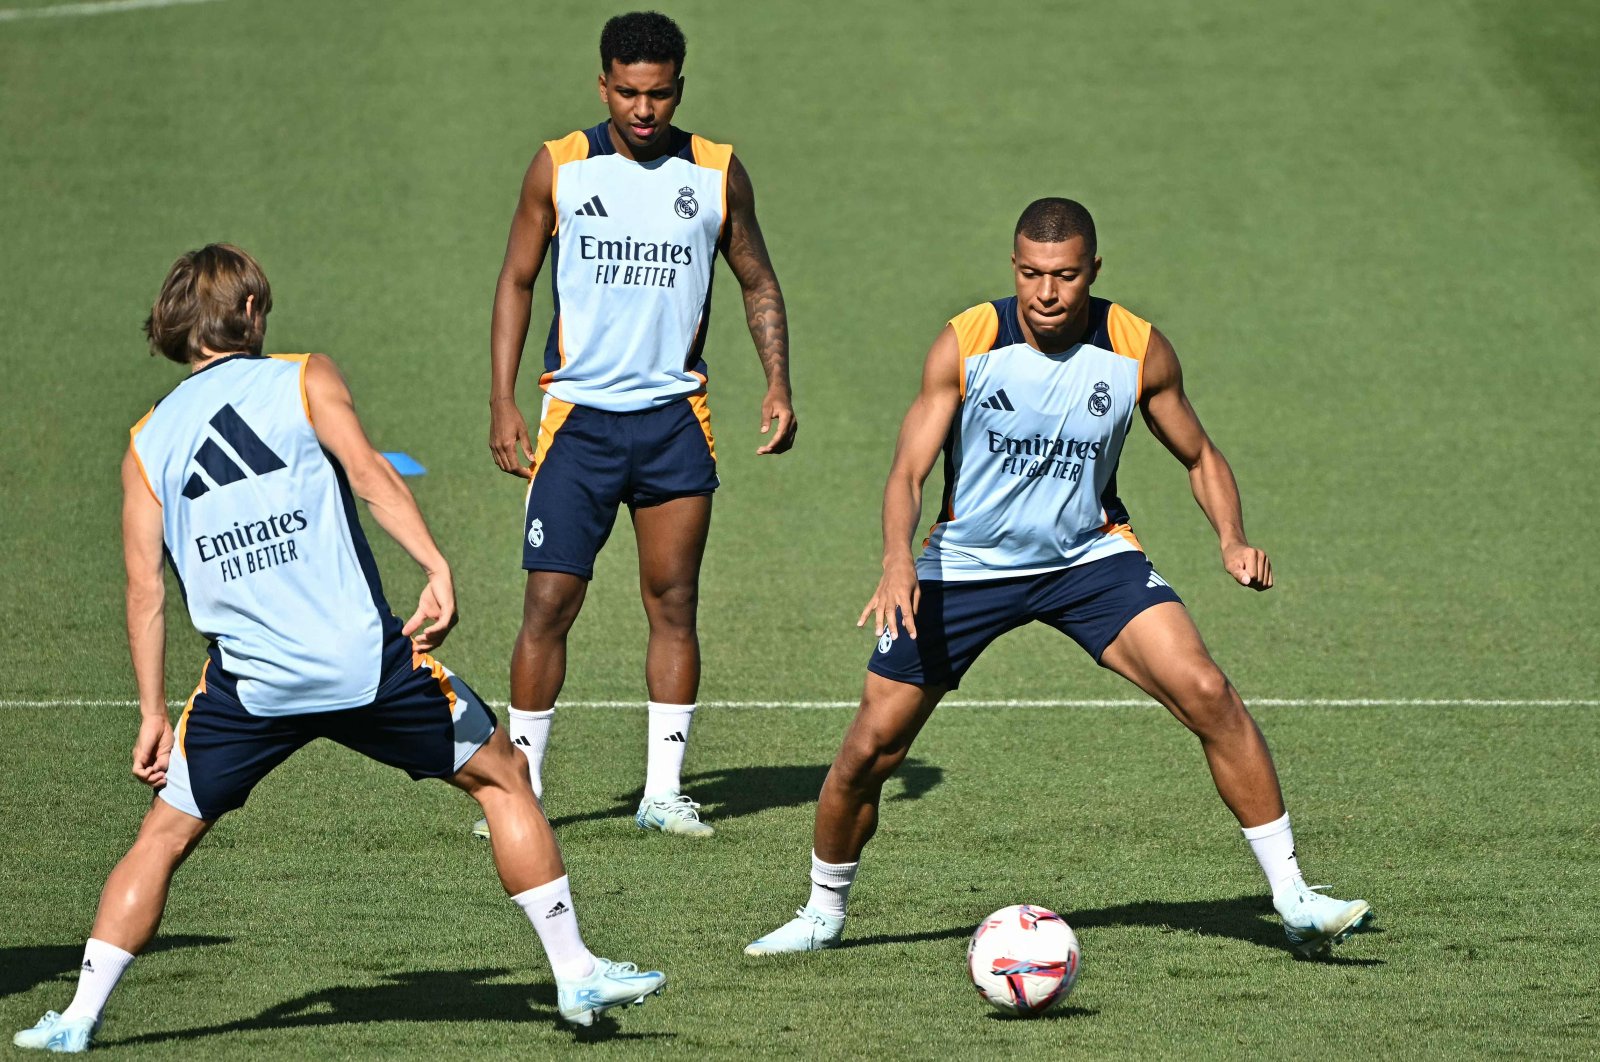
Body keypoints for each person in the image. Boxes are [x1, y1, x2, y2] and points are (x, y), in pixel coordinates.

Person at [14, 246, 664, 1054]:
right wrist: (435, 564)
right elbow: (369, 474)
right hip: (363, 665)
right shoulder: (302, 377)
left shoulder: (146, 443)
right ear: (249, 313)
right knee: (503, 775)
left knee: (163, 837)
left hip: (249, 688)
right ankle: (574, 973)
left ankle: (77, 1018)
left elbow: (145, 591)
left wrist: (152, 712)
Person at [746, 199, 1374, 959]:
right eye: (1033, 275)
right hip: (966, 566)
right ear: (1015, 268)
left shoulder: (1137, 348)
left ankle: (1294, 897)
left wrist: (1233, 538)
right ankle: (822, 913)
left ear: (1094, 272)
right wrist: (895, 558)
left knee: (1208, 692)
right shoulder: (967, 342)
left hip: (1088, 559)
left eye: (1066, 276)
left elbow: (1200, 456)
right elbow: (908, 470)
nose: (1047, 293)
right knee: (868, 751)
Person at [482, 11, 796, 839]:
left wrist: (777, 383)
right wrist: (502, 398)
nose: (643, 110)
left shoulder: (718, 172)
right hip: (576, 423)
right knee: (548, 602)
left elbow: (757, 281)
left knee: (674, 602)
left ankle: (663, 793)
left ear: (679, 89)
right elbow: (517, 281)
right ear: (603, 86)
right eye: (627, 92)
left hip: (672, 424)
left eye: (658, 94)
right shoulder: (559, 168)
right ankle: (523, 793)